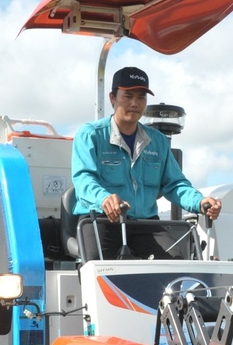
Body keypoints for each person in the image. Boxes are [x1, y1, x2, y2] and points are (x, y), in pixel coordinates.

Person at [71, 66, 222, 259]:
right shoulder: (90, 135)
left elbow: (175, 184)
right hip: (101, 220)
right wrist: (104, 199)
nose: (134, 103)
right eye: (128, 95)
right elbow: (83, 179)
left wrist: (200, 201)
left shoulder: (157, 141)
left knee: (177, 263)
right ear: (112, 98)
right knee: (99, 271)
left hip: (145, 223)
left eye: (141, 97)